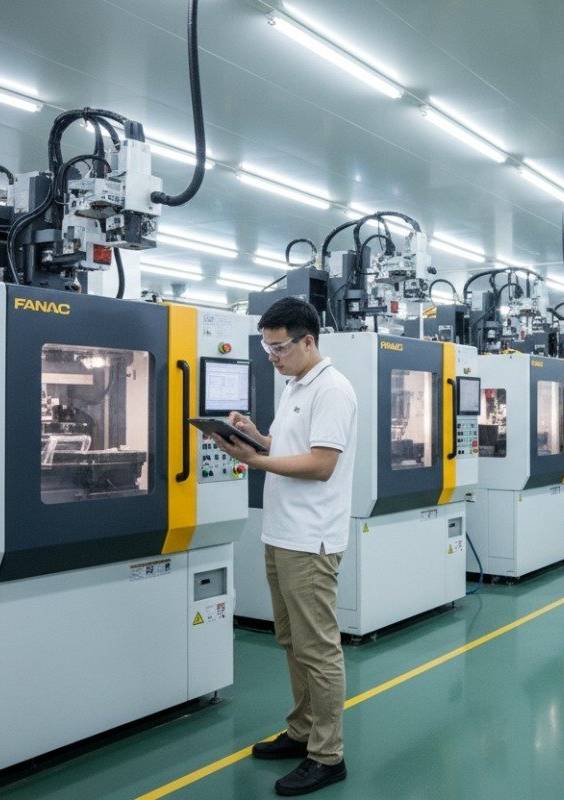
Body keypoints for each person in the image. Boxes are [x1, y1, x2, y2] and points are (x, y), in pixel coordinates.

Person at [212, 297, 357, 796]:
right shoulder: (296, 385)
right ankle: (301, 732)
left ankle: (327, 754)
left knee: (318, 650)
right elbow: (295, 448)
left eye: (278, 348)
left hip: (310, 540)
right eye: (266, 348)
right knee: (291, 642)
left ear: (308, 340)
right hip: (282, 533)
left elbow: (320, 464)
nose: (271, 357)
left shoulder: (333, 390)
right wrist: (257, 437)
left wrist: (253, 461)